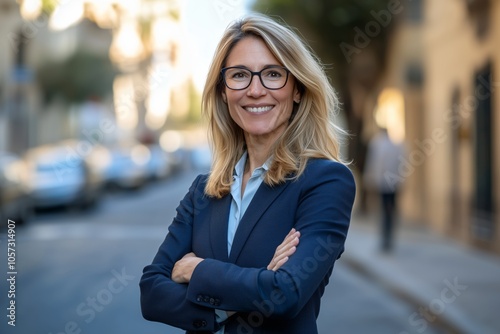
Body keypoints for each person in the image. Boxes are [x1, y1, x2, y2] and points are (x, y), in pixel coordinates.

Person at [140, 13, 356, 334]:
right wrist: (240, 297)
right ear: (224, 92)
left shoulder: (325, 182)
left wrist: (197, 270)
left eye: (272, 74)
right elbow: (151, 293)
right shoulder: (203, 190)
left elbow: (285, 294)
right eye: (240, 75)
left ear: (297, 89)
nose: (255, 91)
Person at [363, 127, 406, 252]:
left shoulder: (378, 145)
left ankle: (387, 238)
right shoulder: (394, 146)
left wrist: (370, 180)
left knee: (386, 211)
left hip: (385, 184)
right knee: (389, 211)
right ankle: (387, 238)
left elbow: (373, 164)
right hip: (391, 184)